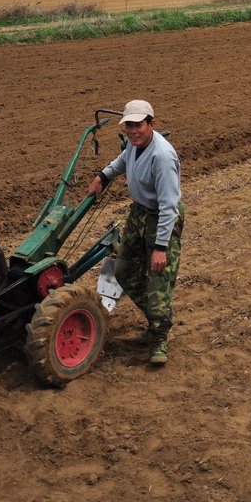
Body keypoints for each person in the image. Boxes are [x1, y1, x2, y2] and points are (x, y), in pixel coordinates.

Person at [87, 99, 184, 365]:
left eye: (138, 125)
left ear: (151, 124)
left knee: (158, 281)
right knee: (124, 271)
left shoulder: (162, 156)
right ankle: (156, 321)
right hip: (139, 214)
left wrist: (160, 247)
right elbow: (121, 161)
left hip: (160, 219)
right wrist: (102, 177)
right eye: (128, 125)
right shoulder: (135, 145)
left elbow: (169, 206)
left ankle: (159, 340)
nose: (132, 130)